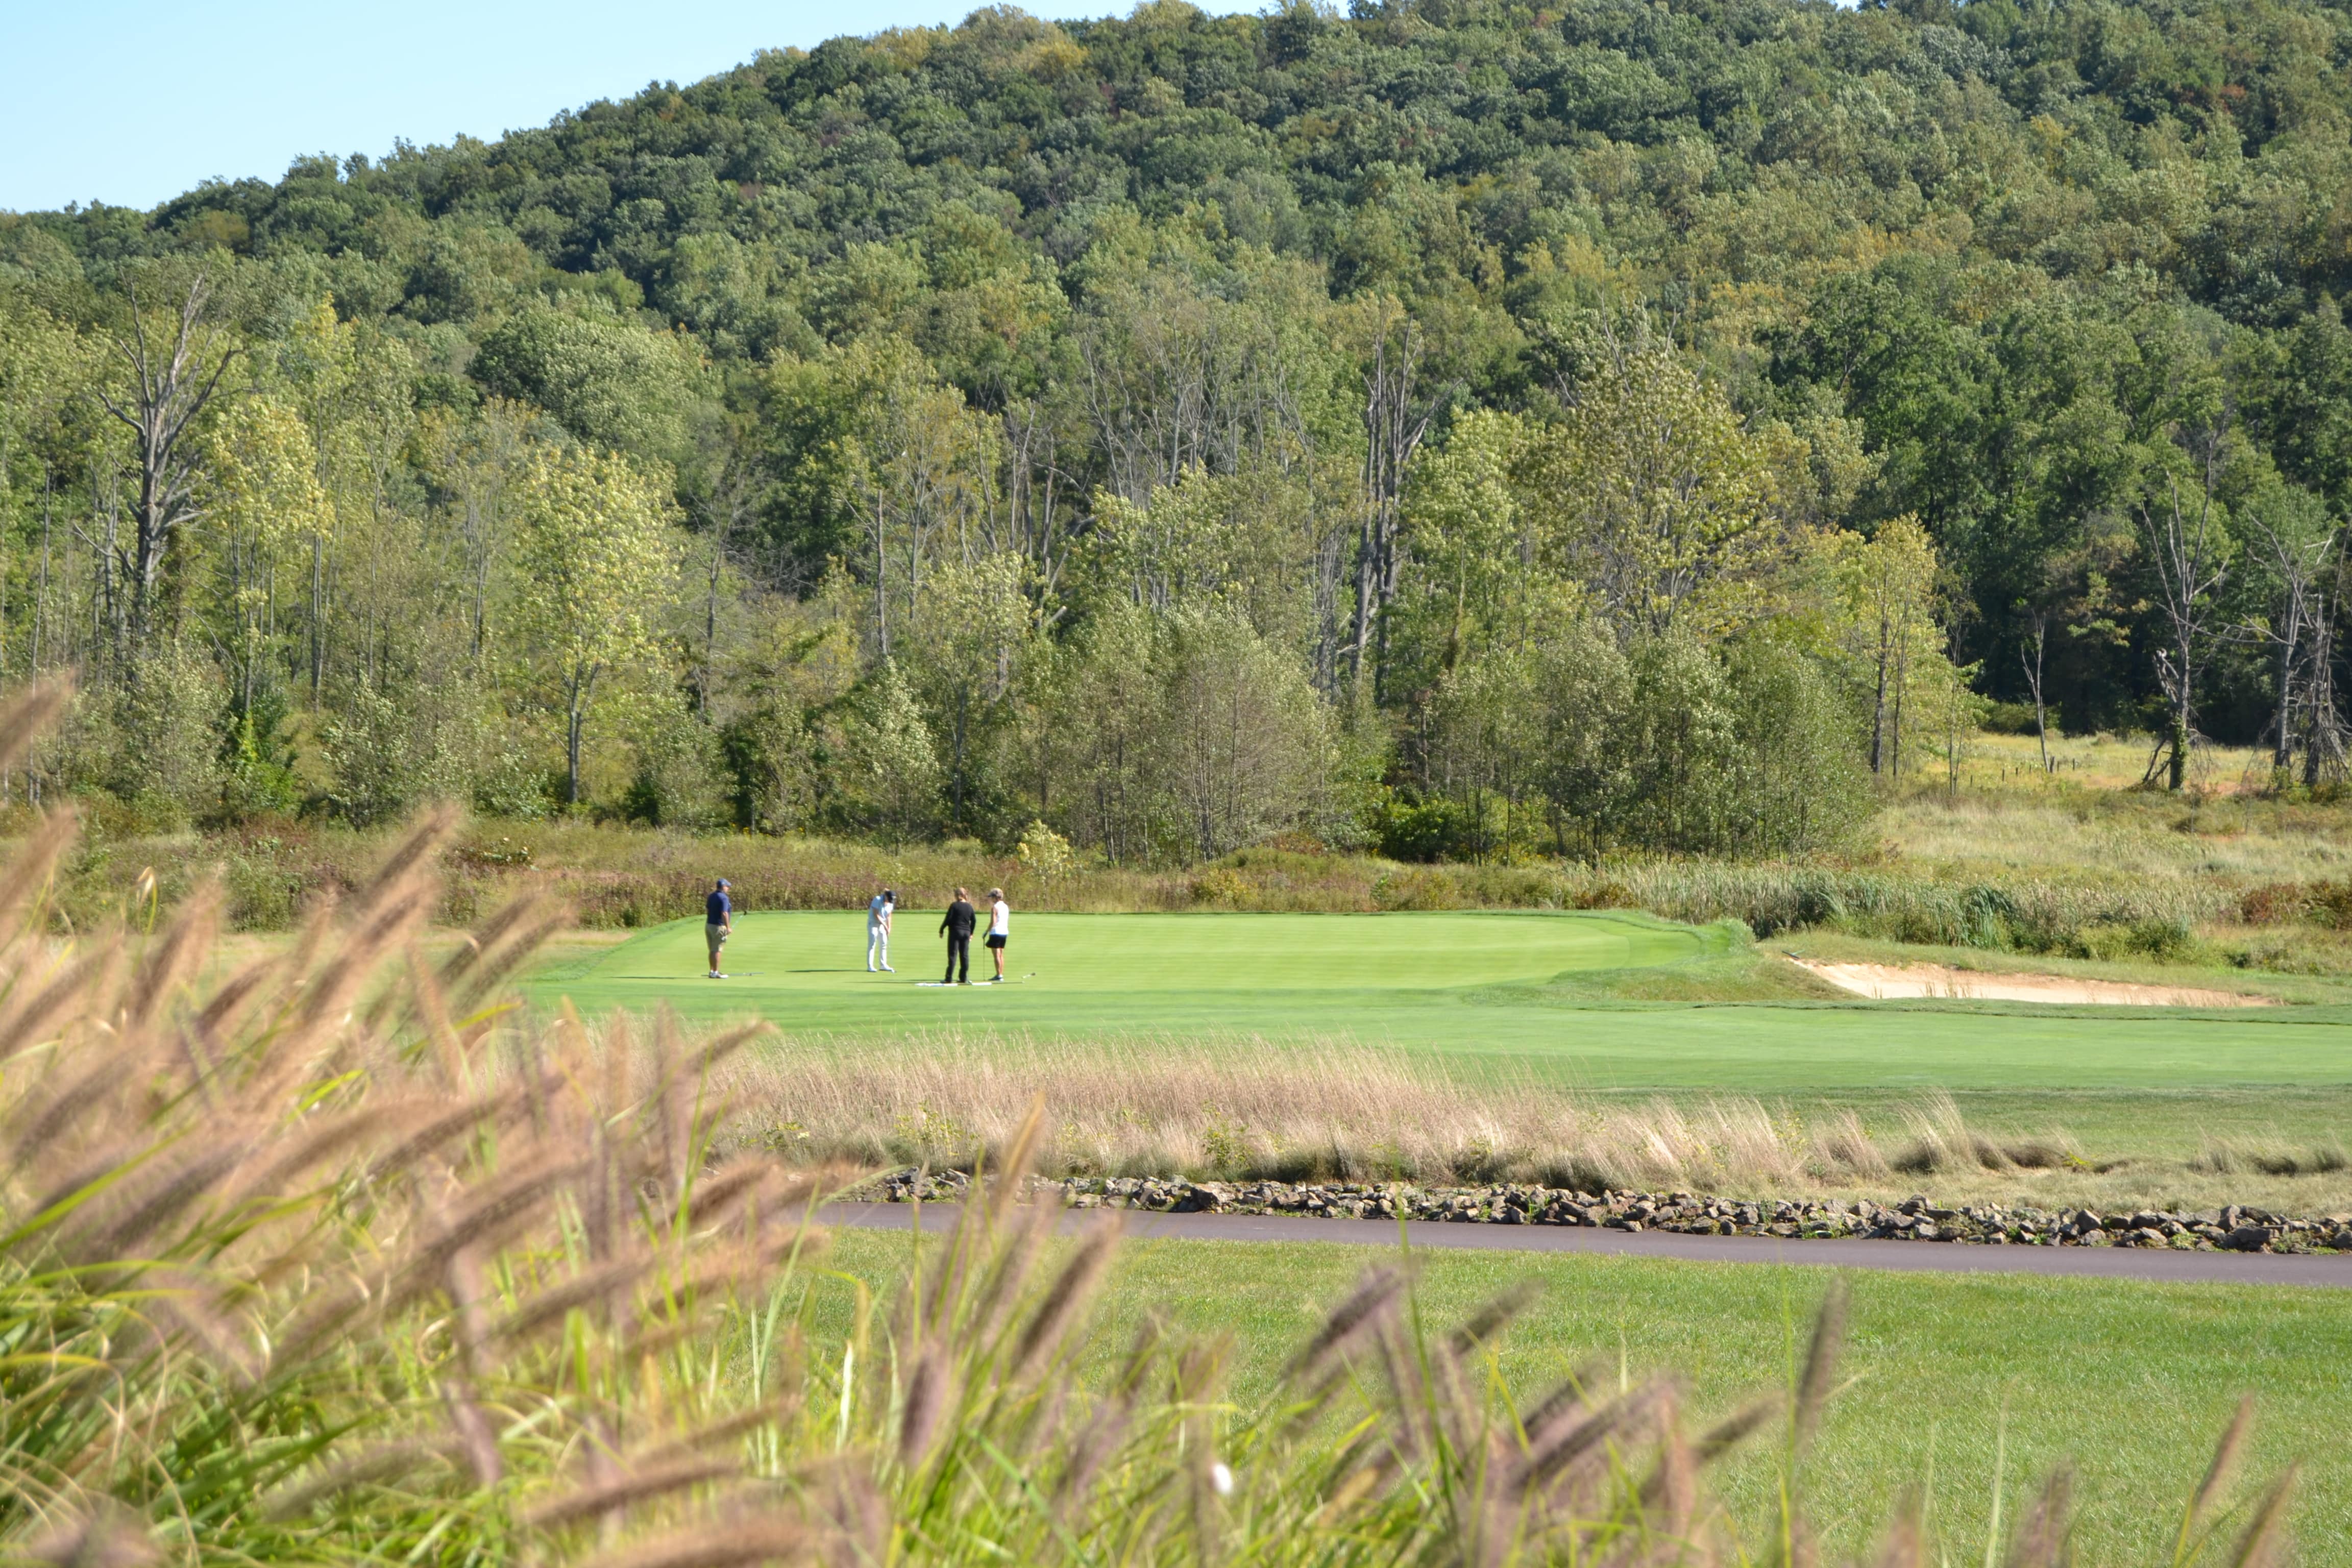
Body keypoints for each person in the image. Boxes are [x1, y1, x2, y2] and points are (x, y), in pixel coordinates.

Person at [939, 887, 975, 985]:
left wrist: (942, 929)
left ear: (957, 895)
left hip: (955, 932)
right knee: (964, 955)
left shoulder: (954, 906)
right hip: (966, 932)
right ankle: (963, 977)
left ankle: (949, 977)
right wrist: (971, 933)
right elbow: (974, 921)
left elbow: (948, 919)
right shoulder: (969, 906)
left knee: (953, 955)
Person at [704, 878, 732, 978]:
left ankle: (712, 971)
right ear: (723, 887)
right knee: (717, 950)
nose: (728, 889)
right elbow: (724, 913)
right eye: (727, 887)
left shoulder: (711, 896)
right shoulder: (724, 898)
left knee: (712, 950)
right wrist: (728, 927)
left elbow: (708, 909)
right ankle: (716, 972)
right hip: (718, 927)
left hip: (709, 925)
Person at [867, 887, 896, 972]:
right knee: (872, 944)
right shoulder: (877, 899)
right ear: (886, 896)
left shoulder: (890, 903)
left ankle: (883, 965)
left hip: (882, 925)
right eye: (889, 899)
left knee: (884, 944)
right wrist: (885, 925)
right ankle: (870, 966)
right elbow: (876, 914)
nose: (890, 901)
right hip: (873, 924)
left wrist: (889, 927)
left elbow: (889, 916)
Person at [985, 887, 1010, 982]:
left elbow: (993, 922)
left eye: (992, 897)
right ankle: (1000, 974)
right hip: (1004, 932)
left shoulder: (995, 908)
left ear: (996, 897)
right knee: (1001, 955)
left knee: (996, 955)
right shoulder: (1006, 906)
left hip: (996, 932)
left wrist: (986, 931)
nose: (991, 899)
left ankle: (999, 975)